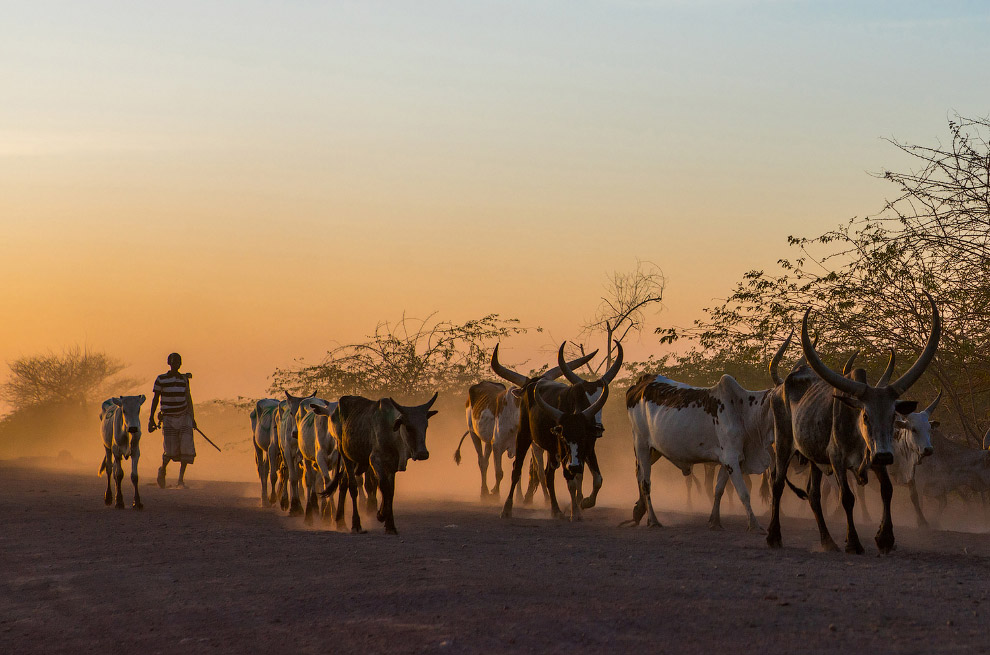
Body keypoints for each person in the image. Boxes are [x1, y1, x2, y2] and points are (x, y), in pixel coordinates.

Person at [148, 352, 197, 488]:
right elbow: (155, 399)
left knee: (186, 448)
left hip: (184, 416)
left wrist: (192, 418)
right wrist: (151, 418)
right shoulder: (161, 379)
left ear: (180, 363)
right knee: (169, 450)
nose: (176, 364)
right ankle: (162, 470)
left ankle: (180, 480)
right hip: (168, 418)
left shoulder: (183, 380)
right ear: (169, 363)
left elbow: (188, 398)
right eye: (174, 361)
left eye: (178, 361)